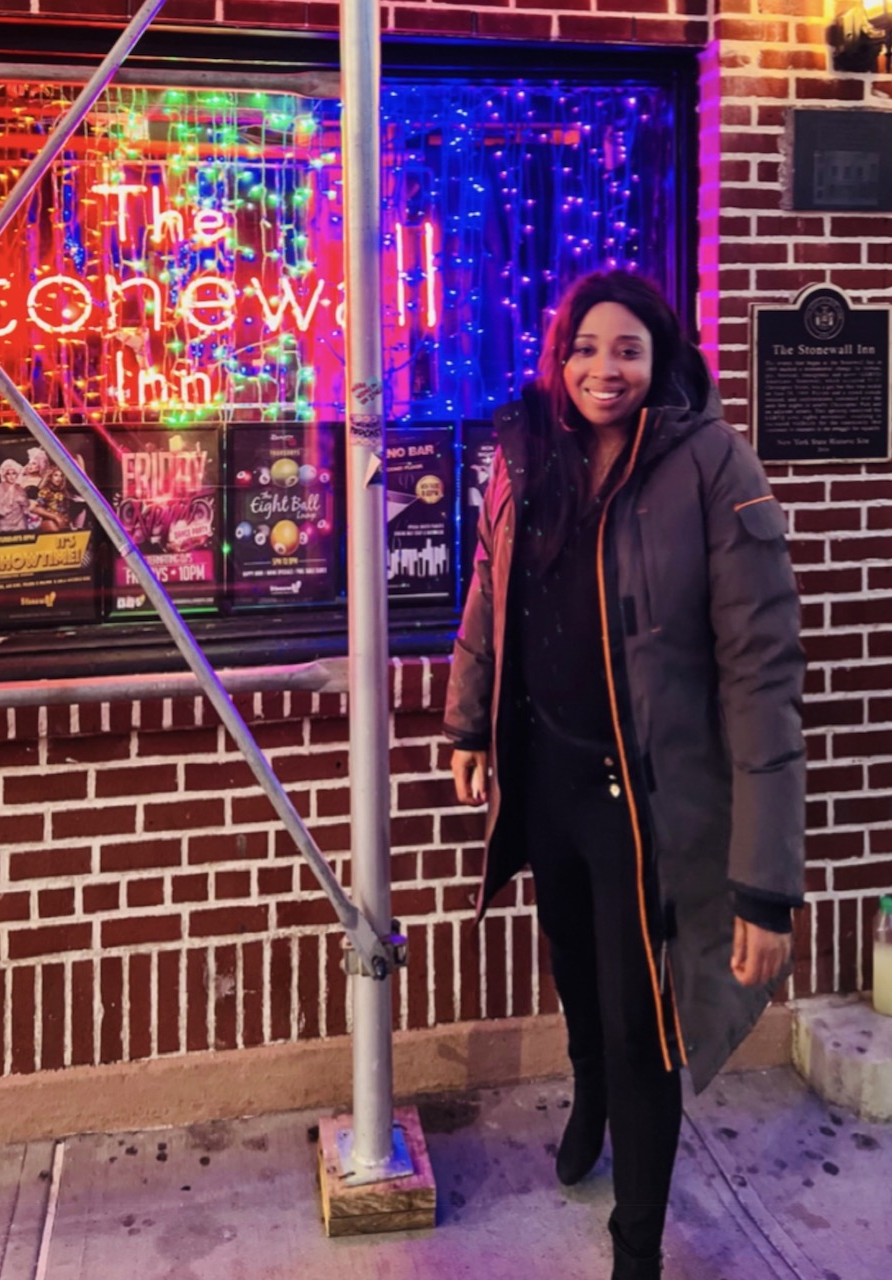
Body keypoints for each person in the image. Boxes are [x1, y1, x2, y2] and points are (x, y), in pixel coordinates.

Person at [444, 270, 805, 1280]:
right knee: (572, 967)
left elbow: (762, 674)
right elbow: (489, 590)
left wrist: (764, 879)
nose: (605, 369)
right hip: (546, 775)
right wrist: (470, 719)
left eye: (628, 349)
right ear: (560, 358)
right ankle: (588, 1091)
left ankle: (635, 1245)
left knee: (644, 1013)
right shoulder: (528, 457)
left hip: (641, 802)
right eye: (586, 348)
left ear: (661, 357)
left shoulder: (712, 467)